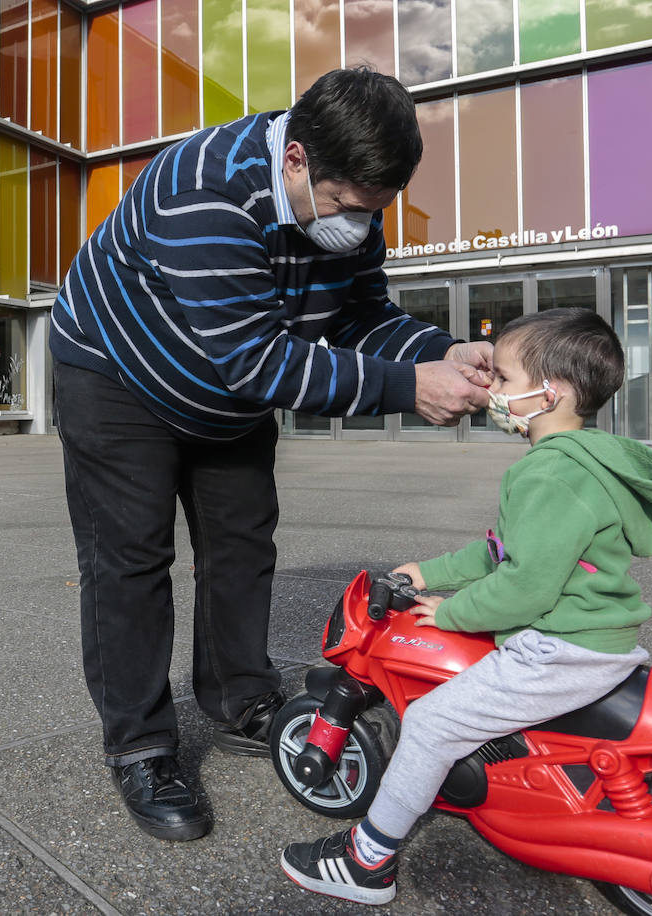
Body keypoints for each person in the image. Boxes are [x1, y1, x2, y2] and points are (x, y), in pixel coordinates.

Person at [50, 67, 493, 843]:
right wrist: (407, 389)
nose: (357, 228)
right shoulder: (204, 192)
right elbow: (257, 361)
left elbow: (362, 315)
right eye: (347, 207)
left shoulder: (348, 202)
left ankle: (237, 697)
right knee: (130, 559)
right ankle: (142, 746)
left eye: (373, 212)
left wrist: (442, 349)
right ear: (295, 160)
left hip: (222, 386)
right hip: (116, 373)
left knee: (244, 543)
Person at [280, 307, 652, 904]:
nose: (490, 391)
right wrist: (431, 571)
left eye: (505, 379)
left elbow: (525, 587)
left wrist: (450, 612)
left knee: (430, 722)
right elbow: (503, 552)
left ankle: (368, 861)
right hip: (594, 638)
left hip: (558, 649)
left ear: (553, 394)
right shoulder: (587, 460)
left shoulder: (549, 475)